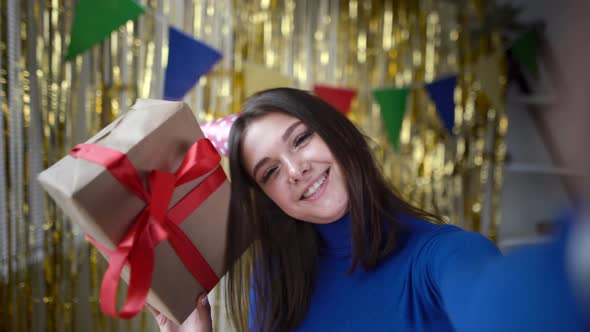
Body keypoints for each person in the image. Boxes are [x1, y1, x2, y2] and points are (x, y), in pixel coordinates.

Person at [150, 87, 588, 332]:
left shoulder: (441, 258)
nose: (296, 170)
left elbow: (503, 307)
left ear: (339, 134)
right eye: (269, 173)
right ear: (269, 200)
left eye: (301, 139)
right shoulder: (274, 281)